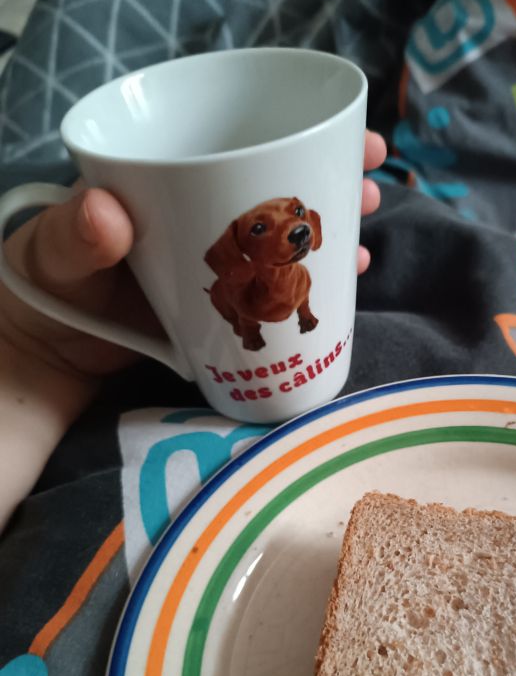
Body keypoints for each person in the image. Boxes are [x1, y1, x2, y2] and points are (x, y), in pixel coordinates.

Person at [0, 130, 388, 532]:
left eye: (297, 214)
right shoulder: (232, 289)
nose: (296, 228)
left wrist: (32, 350)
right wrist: (22, 343)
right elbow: (238, 304)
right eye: (259, 229)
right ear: (236, 252)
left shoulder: (303, 277)